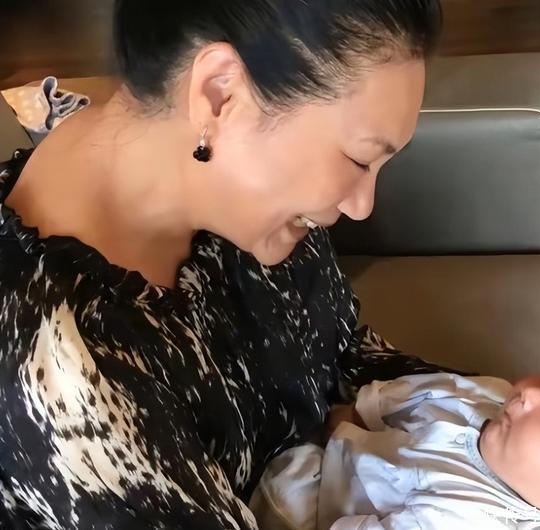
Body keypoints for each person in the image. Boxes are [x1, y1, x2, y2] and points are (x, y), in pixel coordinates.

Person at [0, 1, 457, 528]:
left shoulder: (242, 204)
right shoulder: (65, 371)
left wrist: (499, 426)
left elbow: (344, 353)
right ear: (220, 93)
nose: (361, 206)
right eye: (359, 159)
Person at [250, 354, 540, 530]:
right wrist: (351, 418)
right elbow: (390, 401)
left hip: (306, 506)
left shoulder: (463, 519)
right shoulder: (490, 394)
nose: (528, 393)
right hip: (346, 440)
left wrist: (338, 433)